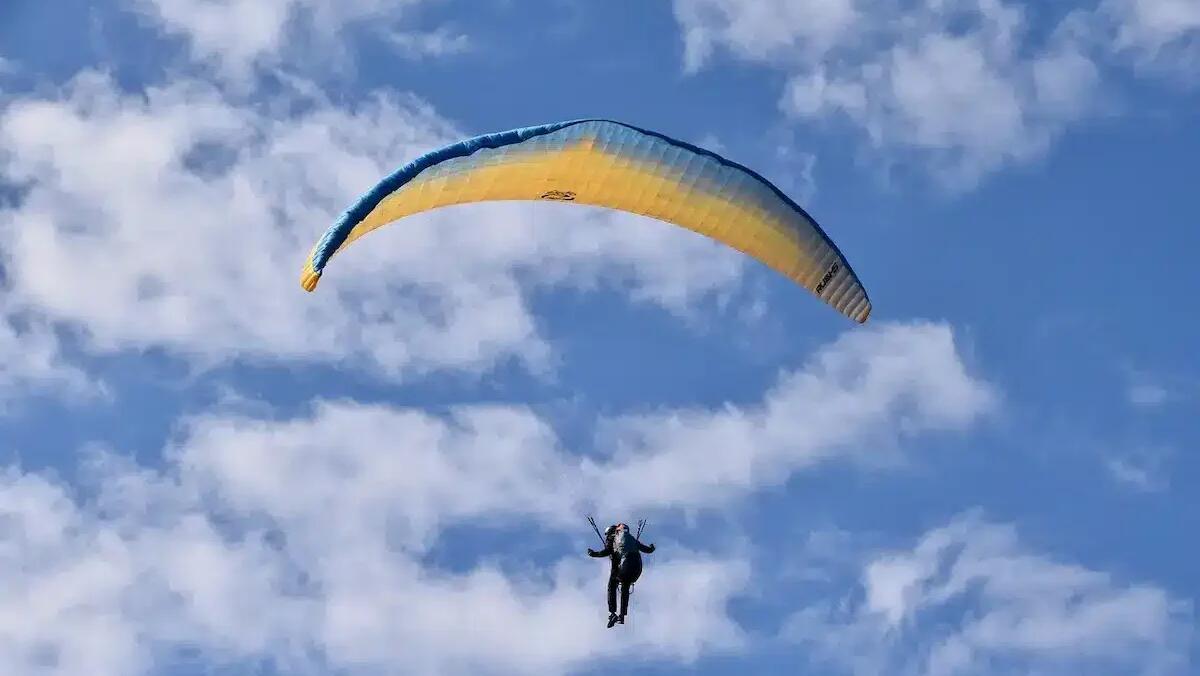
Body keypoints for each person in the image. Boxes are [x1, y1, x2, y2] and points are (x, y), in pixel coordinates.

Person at [587, 522, 655, 627]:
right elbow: (648, 550)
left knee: (612, 584)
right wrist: (652, 547)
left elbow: (607, 551)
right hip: (637, 570)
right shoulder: (631, 539)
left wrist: (594, 554)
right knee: (625, 589)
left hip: (625, 567)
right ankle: (622, 615)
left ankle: (613, 612)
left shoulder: (613, 538)